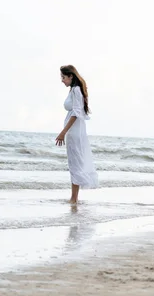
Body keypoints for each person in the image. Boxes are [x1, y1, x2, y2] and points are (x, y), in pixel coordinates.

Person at [56, 65, 99, 203]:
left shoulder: (76, 90)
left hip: (74, 132)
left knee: (75, 163)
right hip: (74, 131)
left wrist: (63, 132)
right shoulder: (74, 90)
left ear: (71, 76)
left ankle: (74, 198)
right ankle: (74, 197)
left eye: (63, 77)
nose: (62, 80)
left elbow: (76, 113)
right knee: (74, 163)